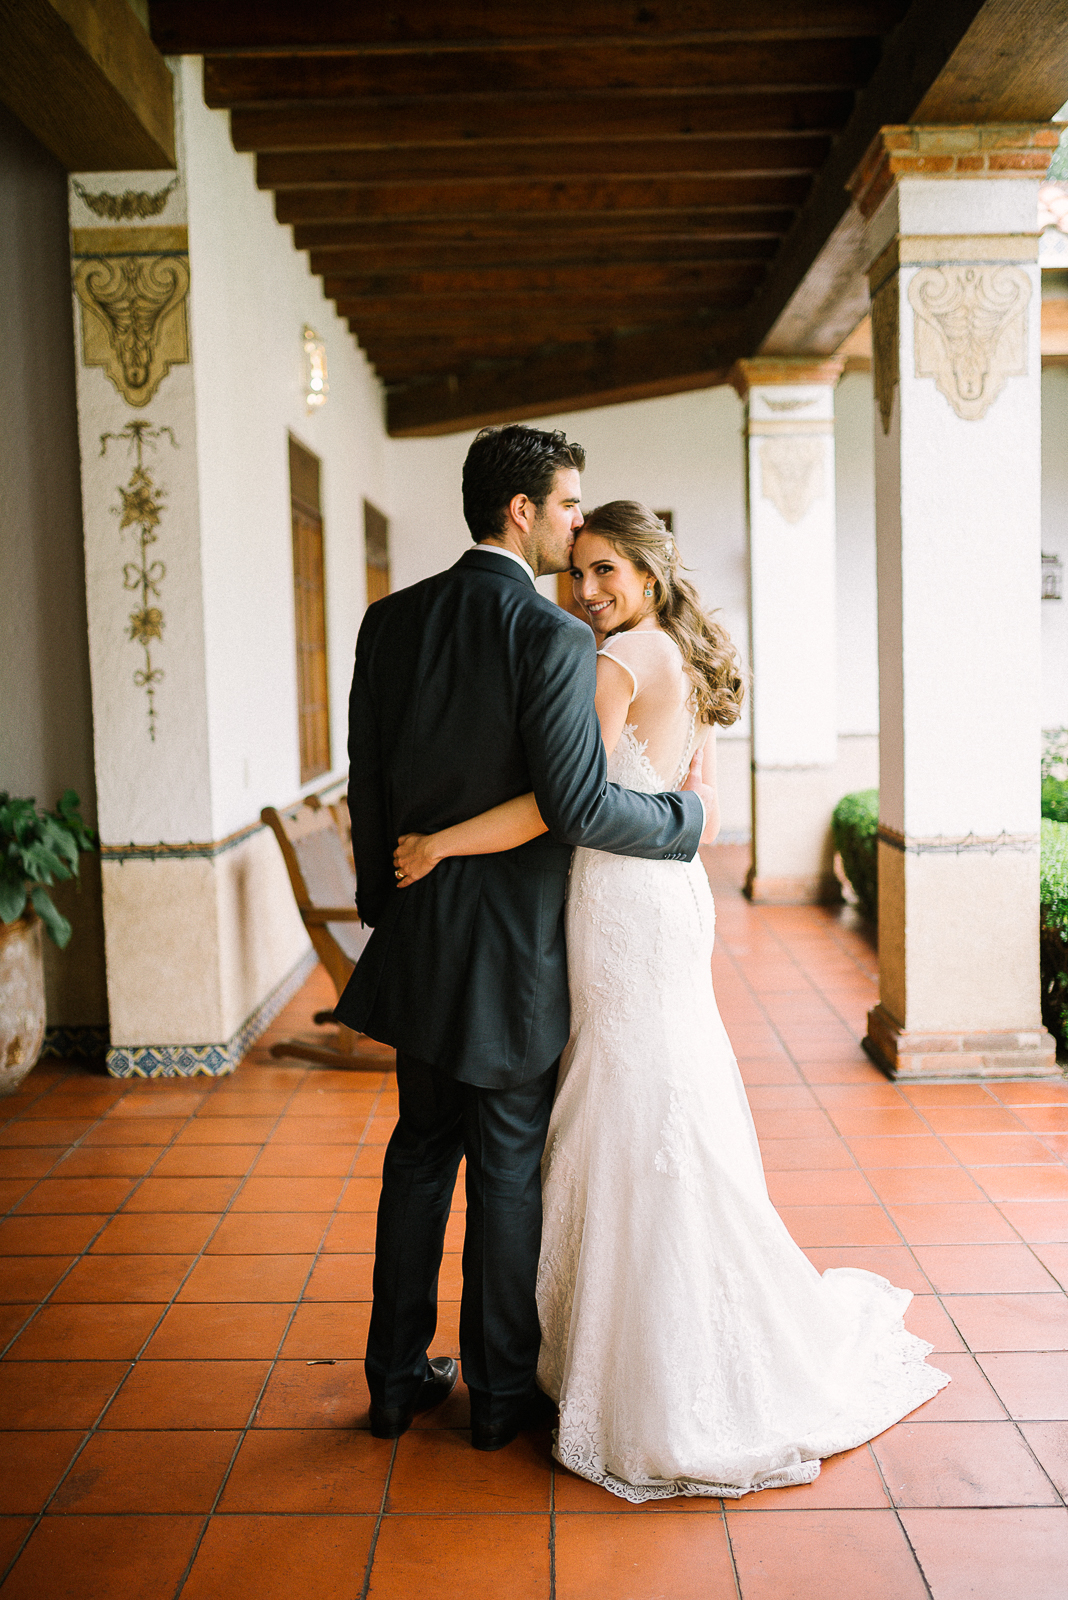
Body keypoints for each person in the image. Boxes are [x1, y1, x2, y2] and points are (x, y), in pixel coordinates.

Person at [393, 500, 950, 1502]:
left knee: (626, 1099)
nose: (587, 590)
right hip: (660, 895)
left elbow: (561, 801)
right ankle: (651, 1334)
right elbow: (701, 808)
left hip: (616, 899)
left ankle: (646, 1365)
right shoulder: (675, 655)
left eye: (606, 570)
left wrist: (440, 840)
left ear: (648, 576)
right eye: (579, 572)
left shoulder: (617, 662)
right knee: (653, 1091)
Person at [335, 430, 705, 1453]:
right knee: (504, 1165)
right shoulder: (551, 638)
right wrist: (685, 824)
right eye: (569, 505)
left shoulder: (390, 620)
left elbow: (369, 782)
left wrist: (387, 903)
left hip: (421, 934)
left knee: (417, 1156)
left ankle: (395, 1379)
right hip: (517, 951)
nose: (578, 521)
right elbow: (580, 806)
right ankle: (498, 1395)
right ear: (521, 512)